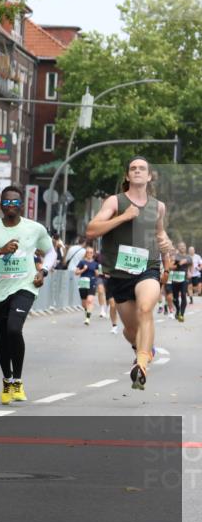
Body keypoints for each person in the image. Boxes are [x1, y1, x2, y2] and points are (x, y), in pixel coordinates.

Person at [86, 156, 174, 390]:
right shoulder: (115, 202)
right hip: (120, 273)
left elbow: (159, 235)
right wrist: (124, 217)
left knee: (146, 309)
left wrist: (166, 251)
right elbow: (92, 230)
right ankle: (143, 349)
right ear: (127, 176)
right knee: (131, 330)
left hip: (148, 268)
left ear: (148, 176)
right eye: (132, 168)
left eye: (141, 168)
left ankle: (142, 363)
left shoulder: (158, 207)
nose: (137, 171)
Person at [0, 186, 56, 405]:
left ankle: (17, 380)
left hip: (25, 286)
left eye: (15, 202)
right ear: (1, 206)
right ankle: (7, 379)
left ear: (21, 204)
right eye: (7, 203)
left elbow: (51, 252)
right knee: (3, 336)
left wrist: (43, 270)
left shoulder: (34, 228)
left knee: (14, 329)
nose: (11, 206)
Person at [75, 246, 100, 326]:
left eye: (91, 252)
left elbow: (97, 273)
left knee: (90, 300)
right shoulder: (82, 262)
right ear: (85, 253)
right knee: (84, 303)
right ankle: (87, 311)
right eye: (88, 252)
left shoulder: (95, 264)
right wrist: (83, 270)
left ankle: (87, 319)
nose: (89, 254)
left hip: (92, 282)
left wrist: (98, 273)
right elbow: (76, 272)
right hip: (83, 283)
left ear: (93, 254)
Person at [170, 242, 191, 323]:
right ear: (178, 248)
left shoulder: (188, 257)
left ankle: (181, 315)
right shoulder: (175, 256)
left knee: (183, 295)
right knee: (175, 298)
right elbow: (170, 267)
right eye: (180, 246)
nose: (182, 247)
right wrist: (178, 264)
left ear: (185, 247)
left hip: (184, 279)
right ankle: (178, 310)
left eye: (184, 246)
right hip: (175, 279)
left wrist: (190, 271)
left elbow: (190, 263)